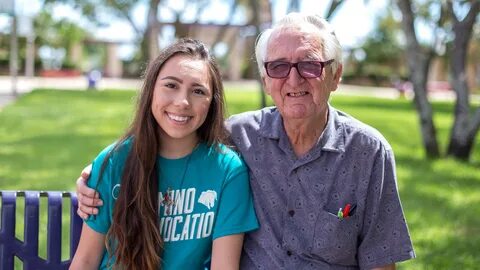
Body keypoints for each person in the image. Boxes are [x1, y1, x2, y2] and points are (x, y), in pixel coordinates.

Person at [76, 13, 415, 269]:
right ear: (267, 80)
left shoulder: (367, 152)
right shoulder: (239, 137)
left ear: (335, 75)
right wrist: (98, 173)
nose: (293, 79)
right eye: (279, 67)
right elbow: (173, 131)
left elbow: (381, 260)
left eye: (310, 66)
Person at [70, 38, 258, 270]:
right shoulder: (114, 162)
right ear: (151, 91)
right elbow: (86, 260)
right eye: (171, 85)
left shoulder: (228, 171)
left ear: (211, 103)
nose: (182, 102)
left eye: (198, 91)